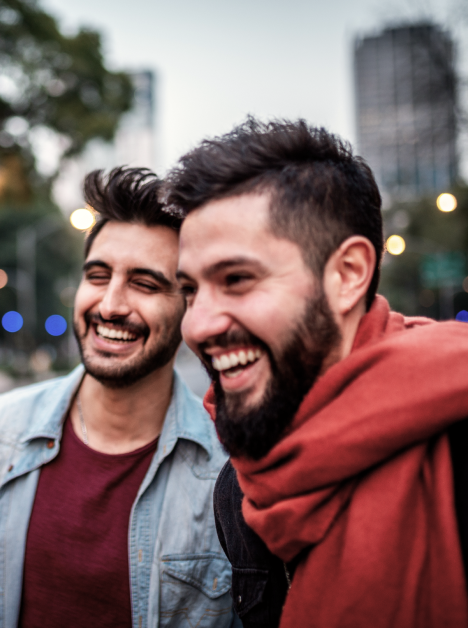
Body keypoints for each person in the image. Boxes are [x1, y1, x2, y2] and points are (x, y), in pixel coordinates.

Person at [165, 118, 468, 628]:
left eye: (237, 279)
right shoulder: (240, 489)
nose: (196, 325)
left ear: (348, 275)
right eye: (190, 290)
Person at [0, 167, 238, 628]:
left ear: (190, 306)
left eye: (145, 284)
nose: (110, 305)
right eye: (97, 275)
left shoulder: (230, 475)